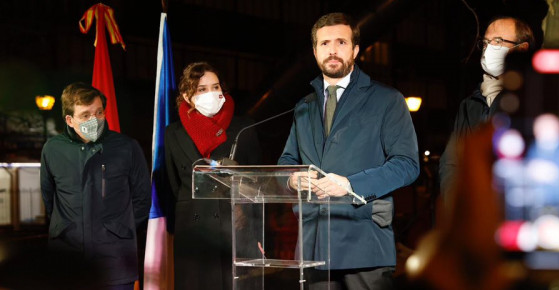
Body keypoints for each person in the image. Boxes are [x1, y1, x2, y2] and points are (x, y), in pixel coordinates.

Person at [278, 12, 419, 289]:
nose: (332, 50)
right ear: (315, 51)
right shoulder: (303, 106)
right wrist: (293, 178)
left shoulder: (386, 100)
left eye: (341, 42)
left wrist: (351, 184)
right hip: (314, 244)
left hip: (364, 240)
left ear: (355, 49)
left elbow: (407, 164)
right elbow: (288, 160)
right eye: (325, 43)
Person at [40, 82, 151, 289]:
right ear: (69, 120)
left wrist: (118, 228)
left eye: (99, 112)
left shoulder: (127, 147)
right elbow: (49, 197)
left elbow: (142, 198)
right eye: (85, 115)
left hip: (116, 258)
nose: (95, 120)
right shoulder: (52, 149)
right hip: (67, 257)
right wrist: (66, 227)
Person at [164, 61, 261, 290]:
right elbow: (172, 184)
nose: (212, 93)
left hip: (235, 231)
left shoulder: (243, 128)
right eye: (202, 89)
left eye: (216, 87)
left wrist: (249, 220)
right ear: (188, 96)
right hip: (193, 232)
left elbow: (257, 181)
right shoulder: (173, 133)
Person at [439, 16, 534, 205]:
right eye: (485, 43)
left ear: (521, 49)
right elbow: (450, 162)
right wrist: (456, 203)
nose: (488, 49)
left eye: (498, 41)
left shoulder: (532, 101)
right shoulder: (469, 104)